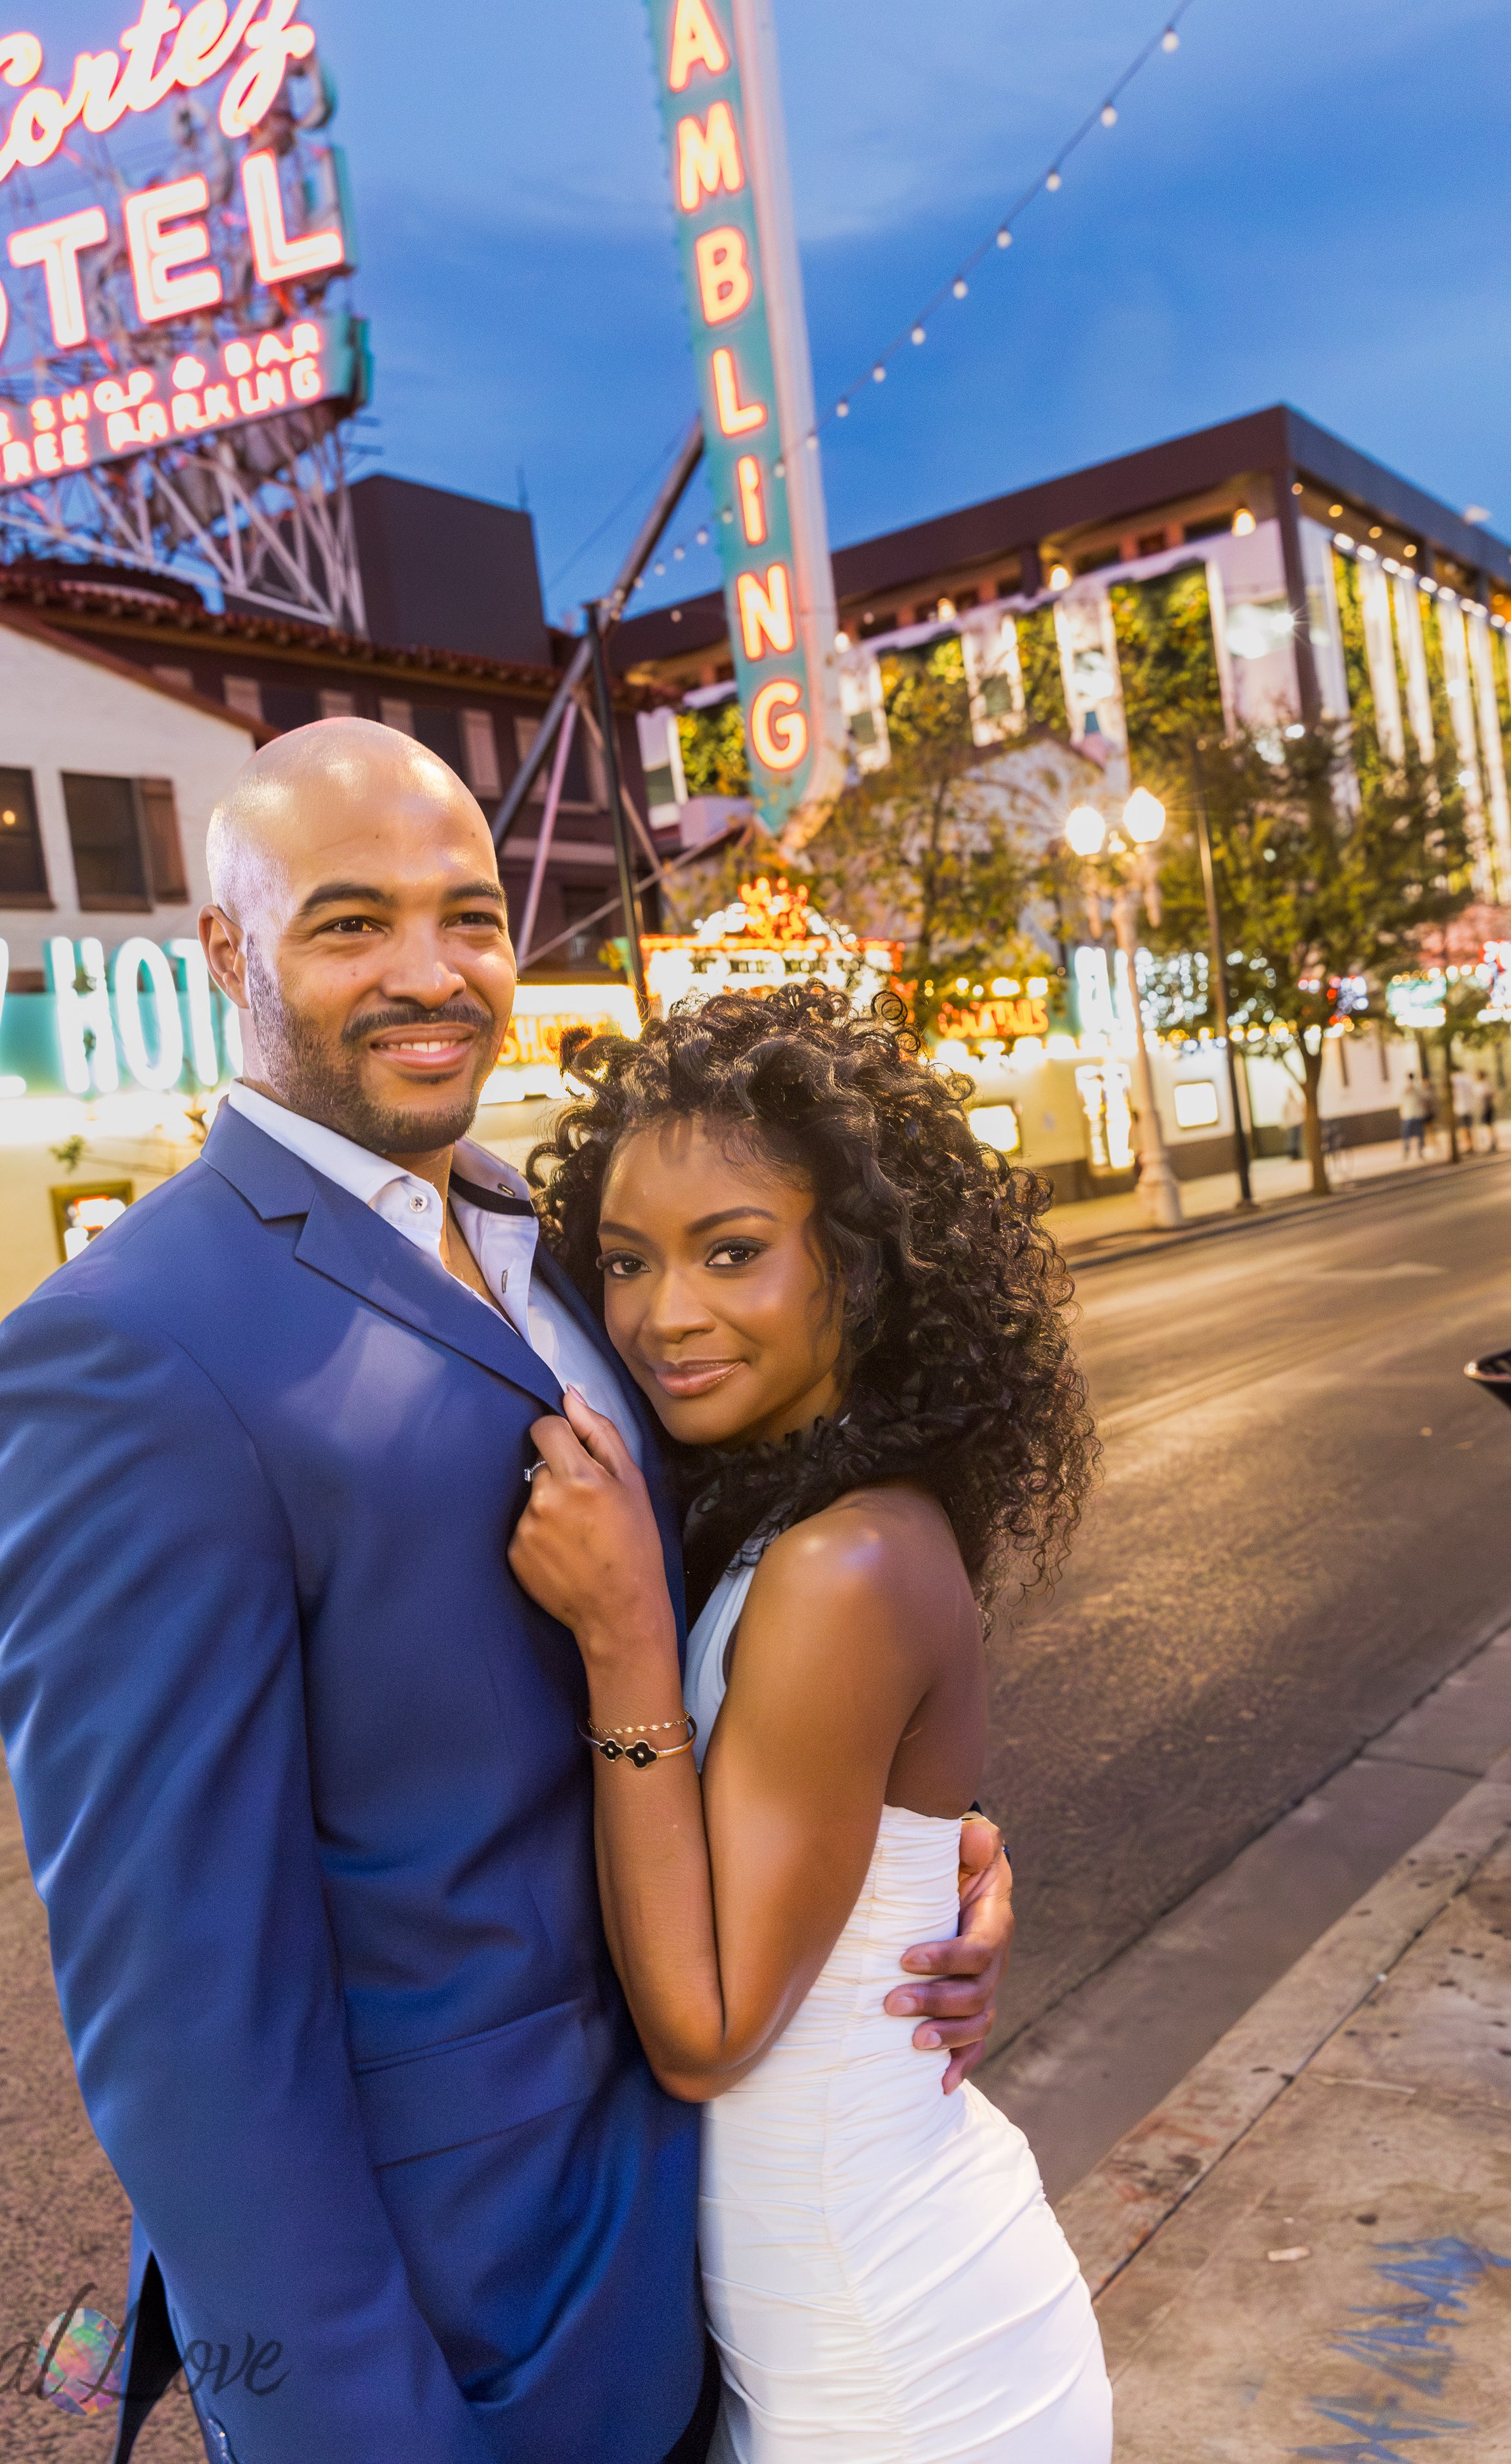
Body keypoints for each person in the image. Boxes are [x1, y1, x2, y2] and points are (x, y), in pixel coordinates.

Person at [0, 725, 1014, 2464]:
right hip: (467, 2335)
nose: (429, 972)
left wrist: (914, 1861)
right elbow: (188, 2021)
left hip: (712, 2257)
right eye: (351, 921)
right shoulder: (124, 1350)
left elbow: (762, 1636)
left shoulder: (567, 1246)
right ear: (227, 952)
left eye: (466, 914)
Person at [512, 986, 1112, 2463]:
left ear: (859, 1265)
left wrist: (624, 1640)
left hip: (891, 2361)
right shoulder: (798, 1520)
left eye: (733, 1252)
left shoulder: (842, 1562)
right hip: (833, 2318)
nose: (665, 1315)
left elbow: (708, 2038)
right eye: (626, 1265)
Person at [1398, 1073, 1427, 1162]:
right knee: (1410, 1134)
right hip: (1409, 1113)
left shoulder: (1417, 1086)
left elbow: (1423, 1097)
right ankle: (1410, 1152)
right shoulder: (1405, 1087)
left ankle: (1419, 1151)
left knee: (1417, 1133)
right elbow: (1401, 1099)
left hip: (1414, 1113)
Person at [1279, 1076, 1305, 1162]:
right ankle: (1293, 1155)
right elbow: (1285, 1114)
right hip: (1291, 1123)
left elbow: (1300, 1110)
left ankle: (1297, 1155)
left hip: (1297, 1122)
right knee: (1291, 1139)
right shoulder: (1287, 1104)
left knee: (1297, 1139)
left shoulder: (1295, 1102)